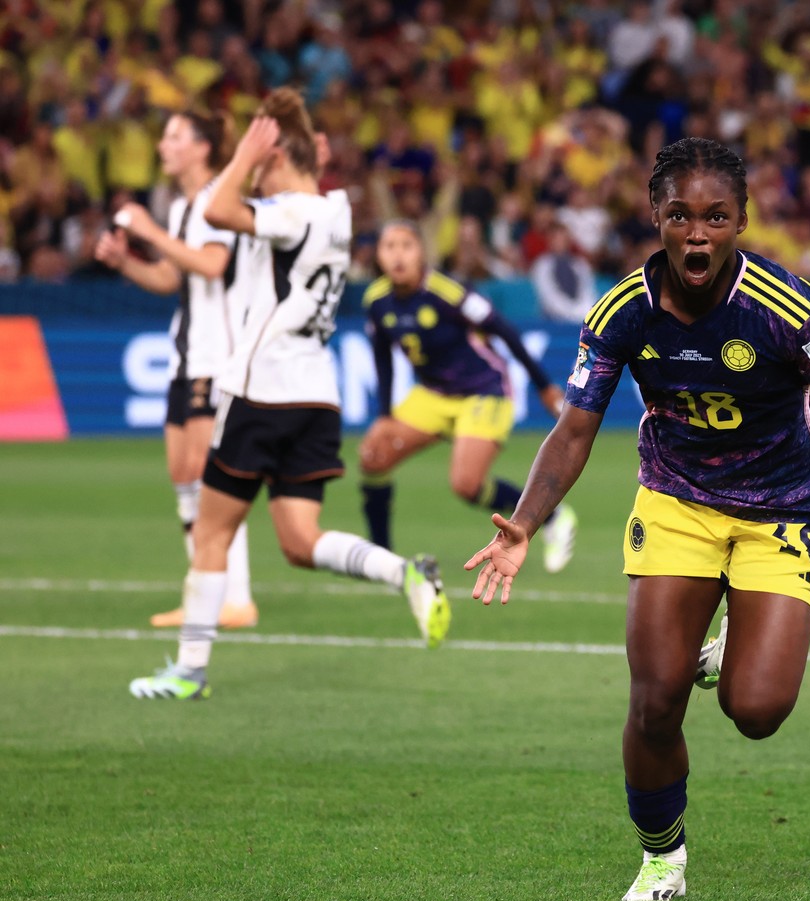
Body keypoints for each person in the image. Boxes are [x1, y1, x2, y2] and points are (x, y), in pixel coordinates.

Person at [464, 138, 810, 901]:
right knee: (655, 696)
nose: (696, 232)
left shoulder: (790, 309)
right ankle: (662, 856)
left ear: (741, 221)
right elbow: (573, 429)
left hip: (788, 508)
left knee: (756, 709)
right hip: (678, 499)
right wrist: (526, 523)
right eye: (680, 215)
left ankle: (734, 642)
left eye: (715, 216)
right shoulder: (623, 310)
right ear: (656, 217)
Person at [129, 89, 451, 701]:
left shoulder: (291, 212)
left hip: (262, 392)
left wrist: (246, 154)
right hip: (316, 397)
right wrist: (279, 152)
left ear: (278, 158)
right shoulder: (333, 210)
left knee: (211, 534)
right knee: (301, 542)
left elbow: (220, 211)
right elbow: (261, 206)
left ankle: (189, 671)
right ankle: (404, 571)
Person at [94, 110, 258, 630]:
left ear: (202, 147)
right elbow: (174, 277)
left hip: (218, 355)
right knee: (184, 475)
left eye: (173, 136)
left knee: (214, 477)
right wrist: (127, 261)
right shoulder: (187, 206)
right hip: (186, 355)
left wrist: (146, 230)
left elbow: (211, 264)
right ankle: (202, 592)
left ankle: (236, 597)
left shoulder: (217, 199)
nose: (163, 145)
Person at [358, 219, 578, 571]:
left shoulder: (448, 292)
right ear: (378, 255)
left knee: (465, 484)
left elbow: (503, 330)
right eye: (389, 247)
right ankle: (380, 559)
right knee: (373, 455)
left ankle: (552, 518)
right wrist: (384, 416)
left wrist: (542, 385)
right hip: (433, 394)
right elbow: (382, 357)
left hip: (483, 390)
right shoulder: (377, 300)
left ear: (421, 253)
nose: (398, 255)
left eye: (406, 246)